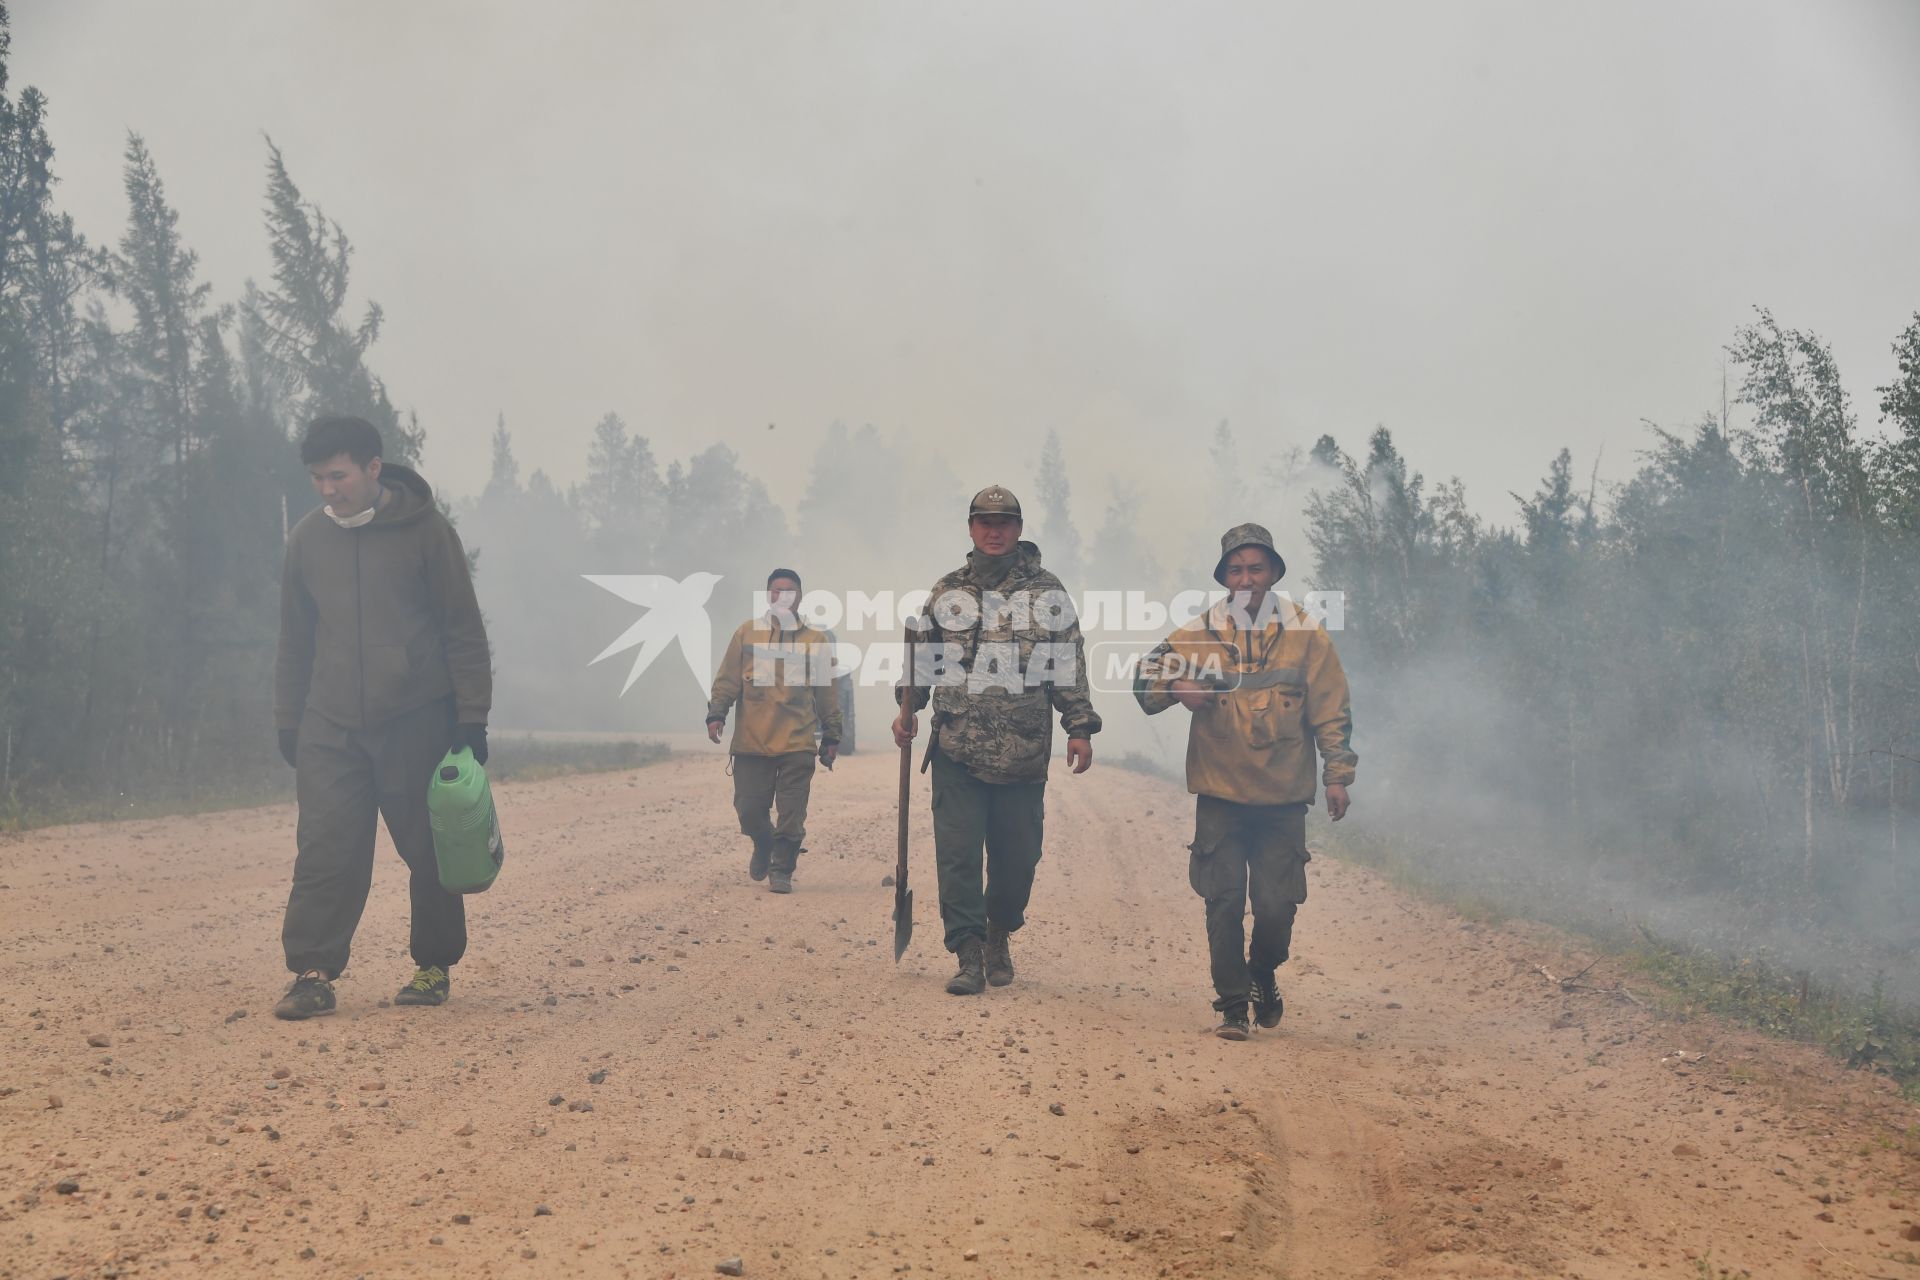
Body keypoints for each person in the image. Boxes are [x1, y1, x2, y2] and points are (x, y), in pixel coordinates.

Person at [271, 416, 492, 1020]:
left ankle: (433, 965)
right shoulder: (306, 542)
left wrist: (472, 717)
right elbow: (294, 640)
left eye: (337, 475)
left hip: (416, 717)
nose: (326, 489)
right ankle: (312, 974)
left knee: (429, 847)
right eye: (316, 477)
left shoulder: (428, 534)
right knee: (326, 849)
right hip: (330, 723)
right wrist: (290, 718)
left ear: (373, 468)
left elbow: (462, 631)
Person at [1134, 523, 1355, 1040]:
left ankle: (1263, 973)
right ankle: (1233, 1005)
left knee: (1277, 908)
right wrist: (1177, 685)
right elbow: (1142, 682)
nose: (1246, 578)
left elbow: (1332, 711)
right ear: (1223, 578)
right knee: (1224, 901)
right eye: (1236, 569)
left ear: (1275, 572)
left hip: (1282, 801)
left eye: (1256, 568)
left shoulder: (1307, 635)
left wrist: (1337, 777)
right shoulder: (1200, 632)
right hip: (1221, 796)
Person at [893, 485, 1099, 995]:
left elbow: (1068, 663)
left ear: (1019, 528)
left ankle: (998, 932)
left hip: (1022, 752)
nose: (994, 530)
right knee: (957, 855)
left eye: (1004, 522)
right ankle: (967, 952)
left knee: (1017, 860)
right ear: (970, 528)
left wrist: (1078, 726)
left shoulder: (1048, 592)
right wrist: (908, 707)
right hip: (957, 747)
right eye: (984, 521)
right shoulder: (947, 591)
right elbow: (924, 659)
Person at [706, 569, 842, 894]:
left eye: (790, 591)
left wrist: (833, 734)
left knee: (791, 814)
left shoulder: (815, 641)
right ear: (768, 595)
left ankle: (782, 869)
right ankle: (763, 843)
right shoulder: (747, 634)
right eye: (777, 590)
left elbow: (826, 692)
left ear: (799, 597)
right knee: (749, 811)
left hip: (798, 742)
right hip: (752, 742)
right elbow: (727, 679)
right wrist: (717, 713)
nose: (783, 596)